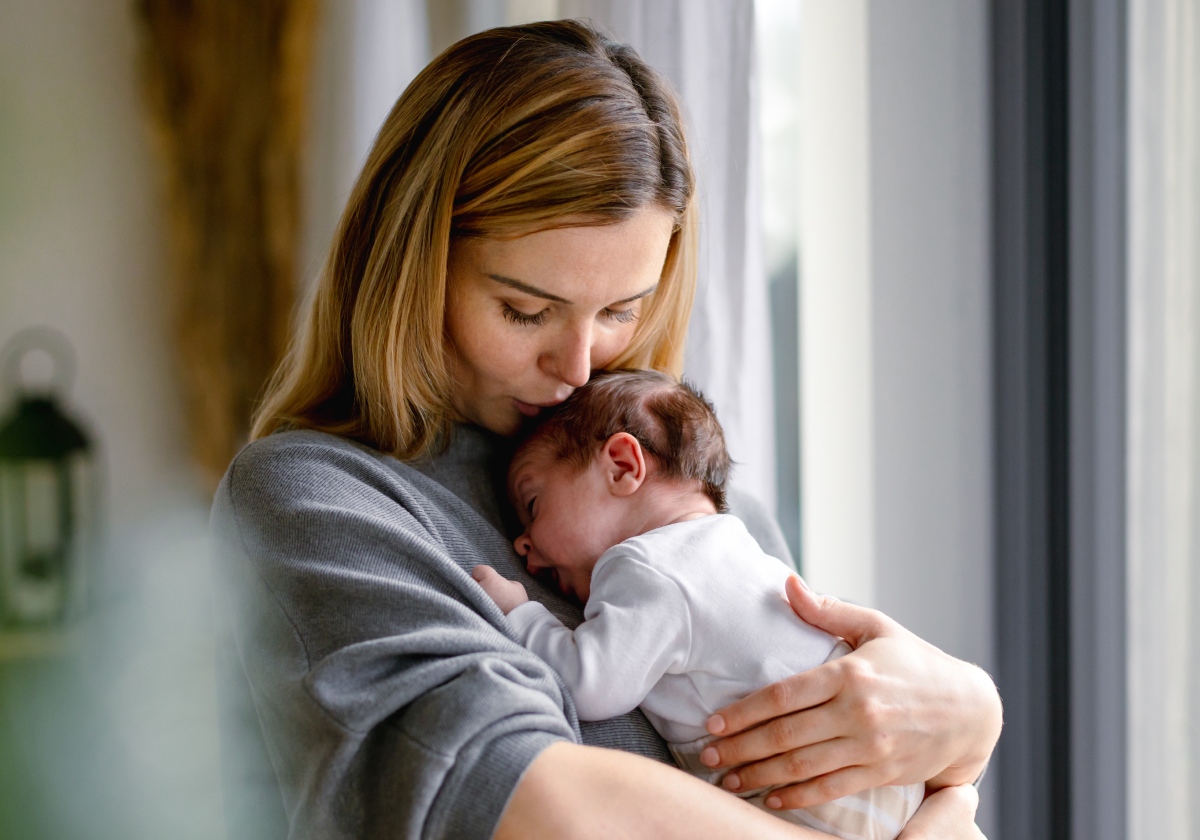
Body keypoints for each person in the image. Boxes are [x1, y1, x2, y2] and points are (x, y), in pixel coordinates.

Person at [210, 19, 1001, 840]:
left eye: (620, 311)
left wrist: (968, 725)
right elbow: (527, 800)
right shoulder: (318, 501)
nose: (579, 367)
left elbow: (845, 786)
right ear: (413, 263)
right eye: (525, 310)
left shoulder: (718, 516)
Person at [472, 369, 925, 840]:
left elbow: (588, 685)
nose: (522, 544)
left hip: (827, 798)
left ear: (623, 466)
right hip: (880, 781)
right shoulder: (732, 546)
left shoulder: (650, 566)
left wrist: (520, 613)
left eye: (533, 504)